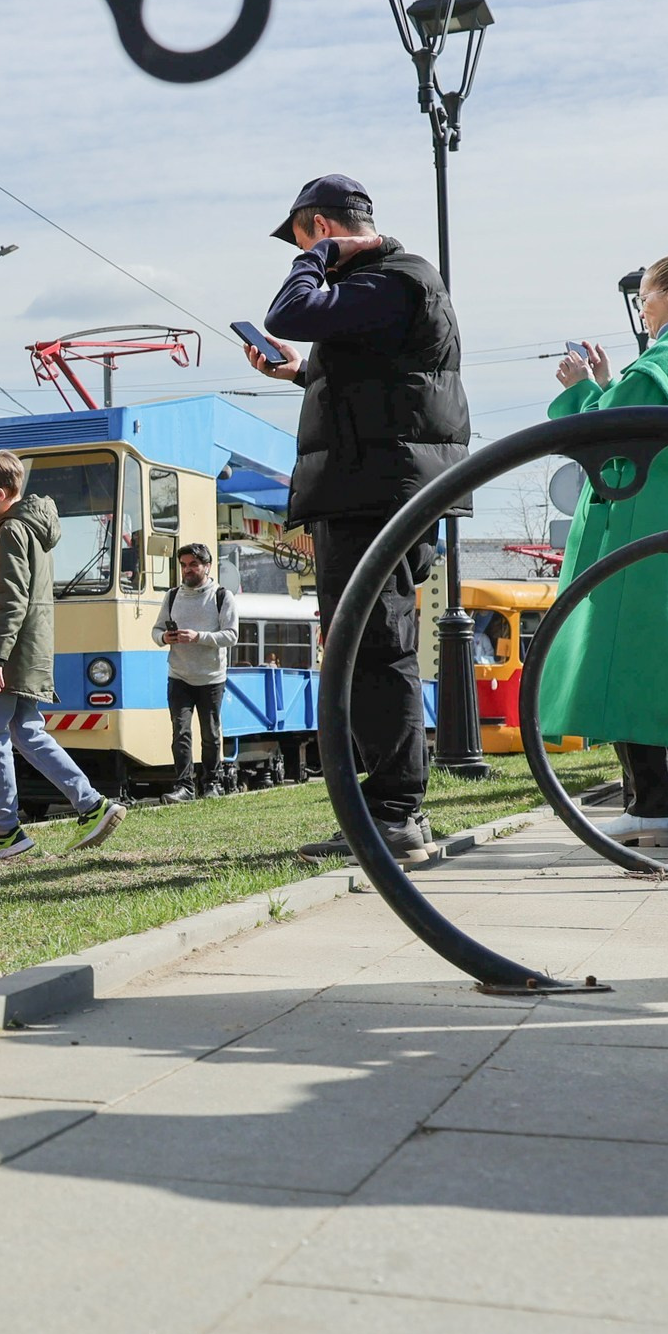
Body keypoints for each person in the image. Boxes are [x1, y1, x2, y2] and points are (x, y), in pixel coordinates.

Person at [244, 175, 468, 862]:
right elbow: (378, 385)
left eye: (304, 235)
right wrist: (300, 374)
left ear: (320, 225)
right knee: (370, 645)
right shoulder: (386, 290)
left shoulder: (391, 279)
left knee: (376, 647)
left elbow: (289, 310)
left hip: (375, 490)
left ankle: (396, 813)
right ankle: (392, 809)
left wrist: (317, 257)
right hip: (375, 483)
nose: (302, 250)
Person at [534, 256, 668, 846]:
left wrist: (581, 393)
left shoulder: (666, 358)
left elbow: (609, 440)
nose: (644, 309)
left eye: (647, 298)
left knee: (631, 667)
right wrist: (605, 386)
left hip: (641, 535)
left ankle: (651, 808)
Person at [0, 448, 124, 860]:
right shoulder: (32, 528)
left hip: (7, 655)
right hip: (27, 649)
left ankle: (6, 831)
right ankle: (91, 805)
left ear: (0, 493)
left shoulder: (11, 532)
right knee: (26, 731)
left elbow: (10, 600)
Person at [155, 542, 237, 800]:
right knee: (180, 732)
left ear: (207, 566)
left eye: (193, 565)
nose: (187, 570)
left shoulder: (222, 596)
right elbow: (155, 631)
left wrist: (198, 637)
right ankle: (185, 787)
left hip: (211, 677)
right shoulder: (172, 596)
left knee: (210, 734)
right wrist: (165, 638)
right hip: (178, 675)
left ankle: (212, 784)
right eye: (183, 565)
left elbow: (232, 635)